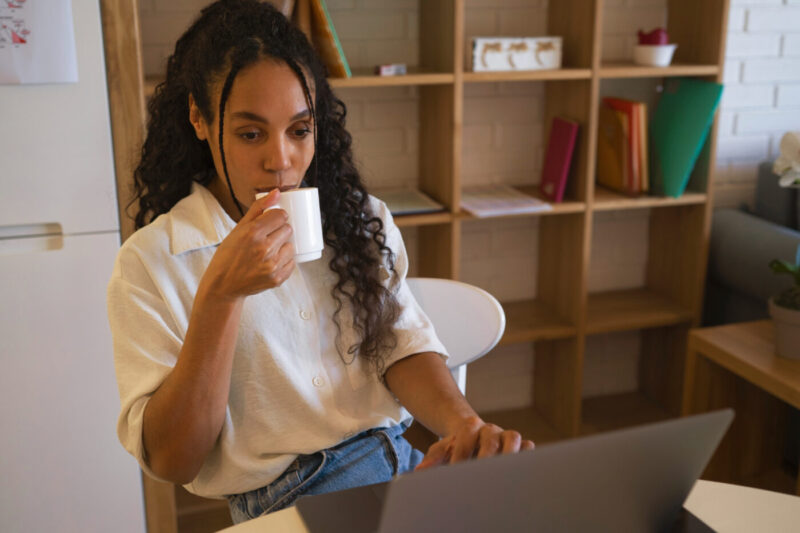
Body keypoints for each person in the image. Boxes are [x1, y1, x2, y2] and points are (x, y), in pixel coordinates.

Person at [108, 0, 534, 524]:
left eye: (299, 130)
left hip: (396, 464)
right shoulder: (153, 263)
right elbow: (175, 459)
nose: (280, 161)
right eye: (250, 133)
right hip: (284, 504)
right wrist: (222, 294)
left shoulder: (356, 221)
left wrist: (464, 426)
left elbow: (398, 343)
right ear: (199, 117)